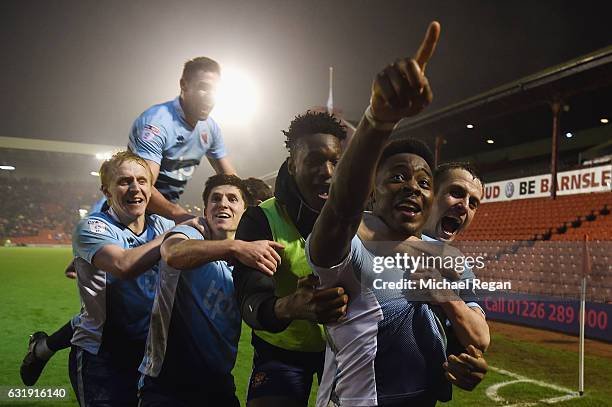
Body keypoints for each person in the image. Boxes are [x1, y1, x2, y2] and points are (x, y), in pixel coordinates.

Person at [21, 56, 234, 387]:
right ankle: (54, 346)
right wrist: (182, 221)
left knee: (136, 301)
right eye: (203, 88)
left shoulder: (211, 129)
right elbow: (141, 187)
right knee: (111, 299)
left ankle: (46, 346)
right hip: (134, 211)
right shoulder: (156, 123)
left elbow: (229, 177)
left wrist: (253, 205)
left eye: (215, 90)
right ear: (184, 86)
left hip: (159, 218)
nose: (209, 97)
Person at [307, 21, 489, 406]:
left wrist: (447, 304)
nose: (412, 188)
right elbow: (340, 210)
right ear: (372, 190)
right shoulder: (351, 246)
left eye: (423, 182)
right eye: (398, 177)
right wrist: (379, 121)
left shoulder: (449, 261)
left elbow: (479, 338)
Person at [233, 111, 349, 407]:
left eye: (336, 161)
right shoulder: (260, 218)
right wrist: (289, 307)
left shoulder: (357, 219)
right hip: (280, 353)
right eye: (313, 161)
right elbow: (250, 302)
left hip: (343, 352)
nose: (328, 172)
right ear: (291, 165)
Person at [138, 174, 283, 406]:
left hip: (220, 387)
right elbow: (173, 253)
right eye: (215, 199)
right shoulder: (192, 234)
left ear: (245, 212)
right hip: (168, 387)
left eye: (232, 199)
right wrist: (235, 247)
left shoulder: (249, 261)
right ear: (205, 211)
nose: (223, 203)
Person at [67, 151, 175, 406]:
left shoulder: (161, 225)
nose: (135, 188)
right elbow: (124, 264)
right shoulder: (93, 227)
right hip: (101, 357)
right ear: (106, 191)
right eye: (125, 181)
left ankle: (45, 347)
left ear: (151, 188)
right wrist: (176, 236)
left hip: (149, 354)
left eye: (142, 181)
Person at [422, 162, 489, 392]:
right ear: (429, 193)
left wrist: (445, 295)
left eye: (473, 203)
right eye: (457, 193)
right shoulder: (378, 233)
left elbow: (480, 338)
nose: (465, 207)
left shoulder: (460, 265)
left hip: (420, 395)